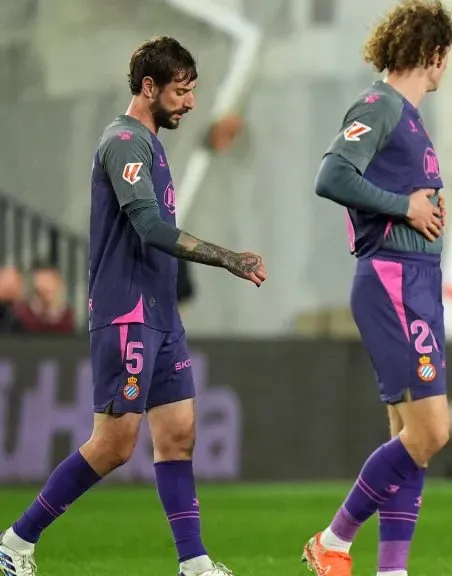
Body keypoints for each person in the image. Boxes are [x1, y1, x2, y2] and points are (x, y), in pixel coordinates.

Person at [0, 36, 266, 576]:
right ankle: (15, 542)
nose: (190, 103)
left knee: (178, 434)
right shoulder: (123, 141)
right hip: (128, 313)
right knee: (115, 445)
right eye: (182, 91)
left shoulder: (151, 144)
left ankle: (193, 565)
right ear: (149, 88)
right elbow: (148, 225)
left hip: (161, 315)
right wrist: (228, 258)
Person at [302, 2, 452, 576]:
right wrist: (407, 206)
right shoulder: (379, 105)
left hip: (415, 281)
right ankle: (334, 540)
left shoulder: (409, 117)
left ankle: (392, 571)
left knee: (407, 436)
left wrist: (421, 207)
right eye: (445, 58)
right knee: (432, 431)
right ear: (433, 54)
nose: (446, 69)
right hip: (393, 278)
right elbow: (331, 175)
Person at [13, 262, 76, 335]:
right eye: (41, 291)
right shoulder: (21, 318)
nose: (46, 295)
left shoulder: (69, 320)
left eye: (49, 290)